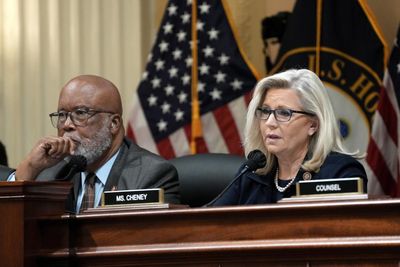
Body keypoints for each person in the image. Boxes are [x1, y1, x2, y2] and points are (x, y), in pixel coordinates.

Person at [2, 75, 180, 212]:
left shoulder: (151, 175)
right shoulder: (48, 174)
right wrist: (29, 168)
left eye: (80, 113)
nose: (66, 125)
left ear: (114, 123)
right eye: (62, 115)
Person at [210, 69, 367, 206]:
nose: (270, 123)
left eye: (284, 113)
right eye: (265, 111)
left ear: (313, 125)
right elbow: (209, 224)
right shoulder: (252, 174)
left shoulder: (340, 172)